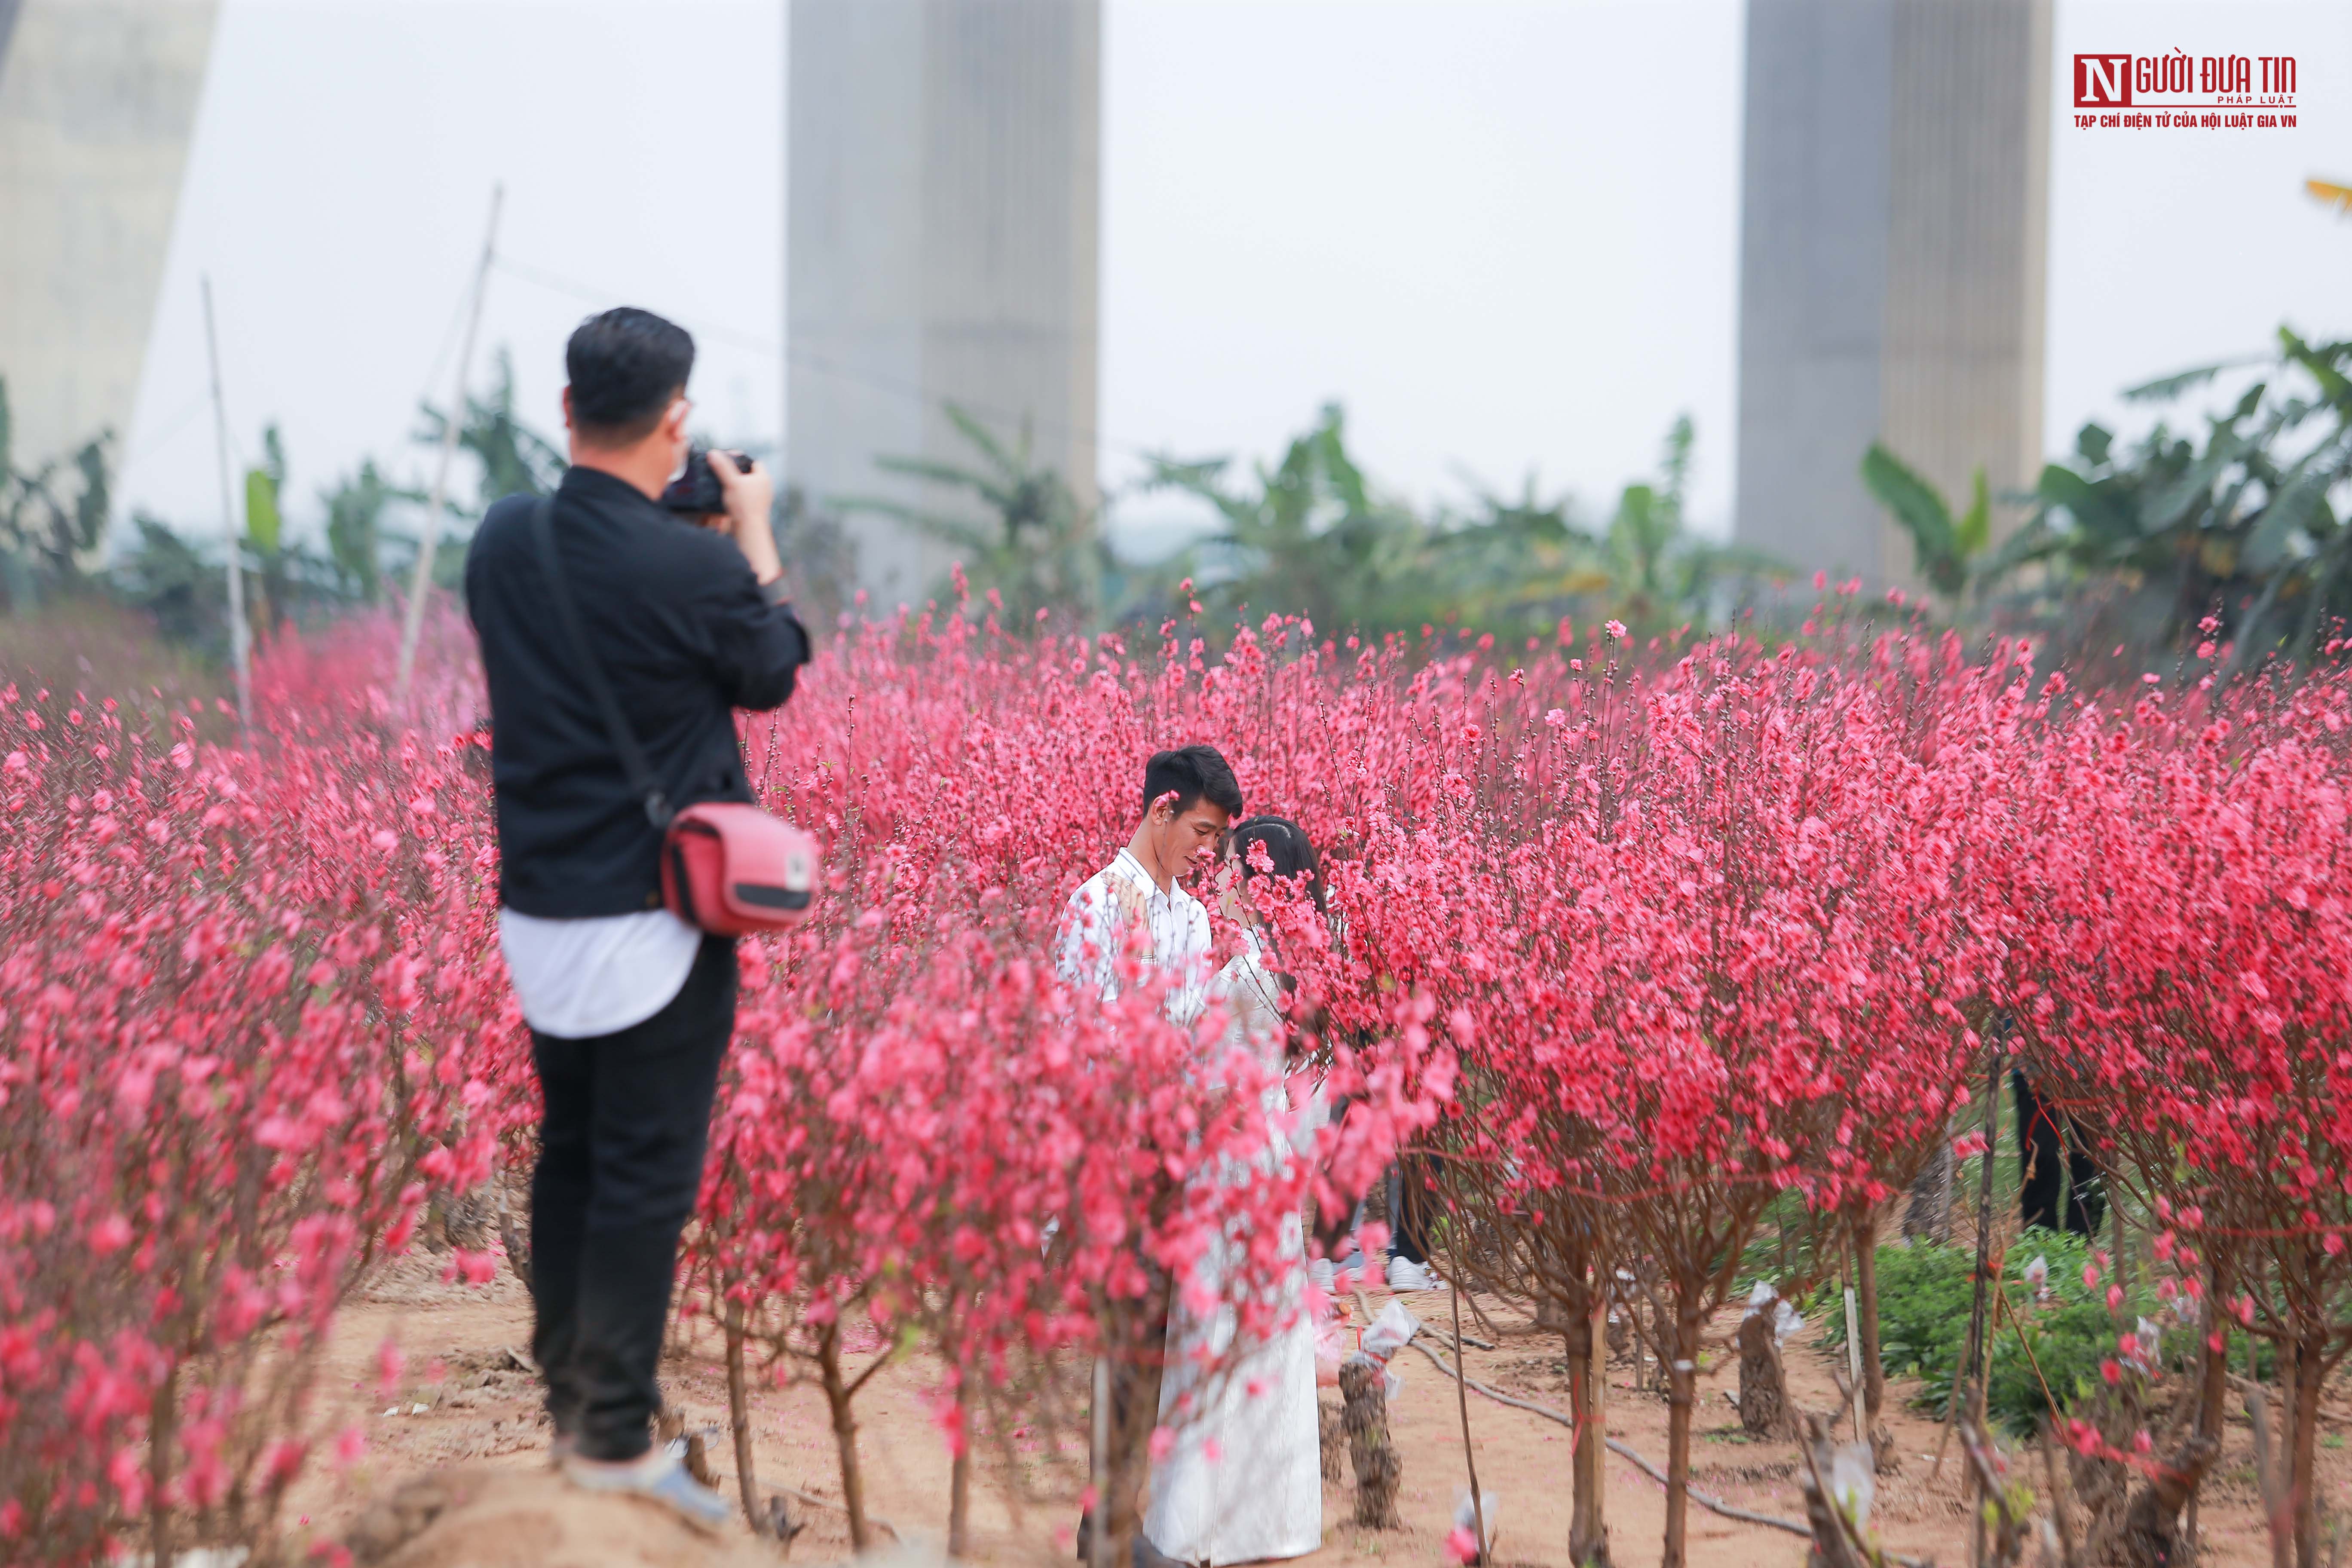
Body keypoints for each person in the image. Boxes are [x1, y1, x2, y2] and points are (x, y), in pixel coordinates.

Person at [464, 306, 810, 1528]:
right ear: (678, 421)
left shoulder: (504, 542)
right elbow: (772, 664)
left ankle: (575, 1407)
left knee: (570, 1151)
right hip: (659, 922)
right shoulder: (700, 565)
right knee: (644, 1174)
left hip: (540, 912)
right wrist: (752, 531)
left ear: (566, 410)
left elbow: (598, 623)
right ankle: (610, 1438)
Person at [1057, 744, 1244, 1568]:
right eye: (1200, 832)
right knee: (1122, 1349)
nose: (1206, 852)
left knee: (1158, 1346)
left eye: (1216, 840)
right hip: (1119, 1158)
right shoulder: (1094, 905)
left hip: (1180, 1161)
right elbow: (1077, 1044)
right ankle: (1105, 1534)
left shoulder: (1195, 920)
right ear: (1160, 810)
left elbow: (1201, 1029)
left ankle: (1125, 1523)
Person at [1146, 815, 1330, 1566]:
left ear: (1260, 876)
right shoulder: (1277, 961)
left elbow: (1203, 1062)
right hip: (1264, 1154)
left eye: (1230, 862)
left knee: (1216, 1328)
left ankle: (1199, 1525)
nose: (1217, 874)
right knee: (1262, 1336)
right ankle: (1263, 1520)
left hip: (1233, 1159)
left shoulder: (1251, 965)